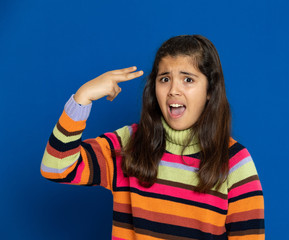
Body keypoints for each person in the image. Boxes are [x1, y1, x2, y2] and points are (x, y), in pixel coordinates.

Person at [41, 35, 265, 240]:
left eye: (188, 80)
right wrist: (82, 99)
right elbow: (56, 168)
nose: (173, 90)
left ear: (209, 90)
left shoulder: (235, 162)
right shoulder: (127, 144)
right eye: (165, 79)